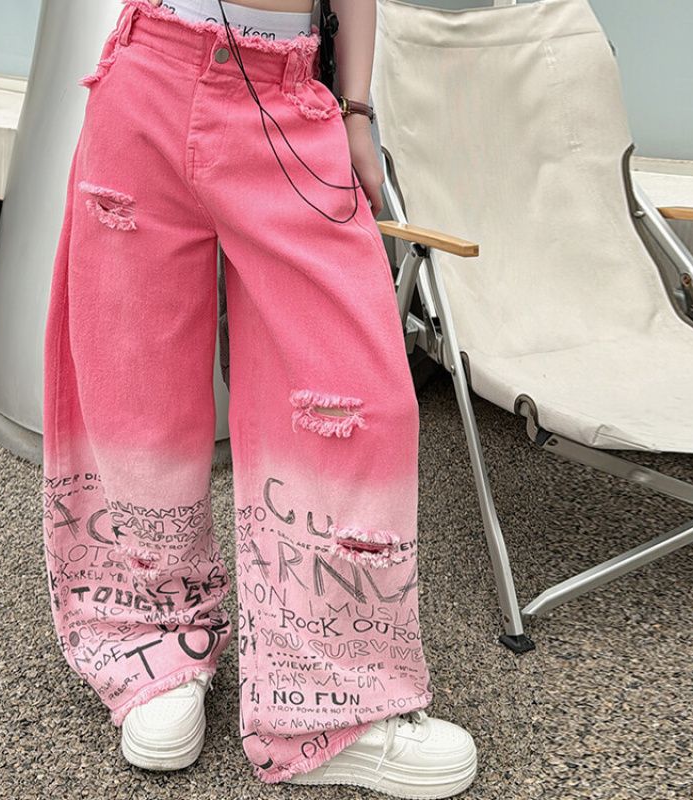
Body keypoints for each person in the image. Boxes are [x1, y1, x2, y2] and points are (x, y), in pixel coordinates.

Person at [41, 0, 477, 796]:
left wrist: (356, 109)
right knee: (134, 388)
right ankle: (157, 645)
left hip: (286, 95)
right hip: (148, 72)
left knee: (354, 402)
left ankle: (327, 706)